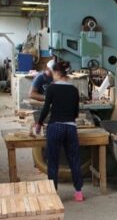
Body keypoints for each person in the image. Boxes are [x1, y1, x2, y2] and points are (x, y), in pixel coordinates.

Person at [34, 60, 85, 202]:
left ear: (56, 73)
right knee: (74, 160)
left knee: (53, 161)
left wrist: (39, 123)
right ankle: (78, 193)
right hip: (71, 128)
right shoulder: (74, 90)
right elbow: (76, 112)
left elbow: (46, 108)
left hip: (55, 127)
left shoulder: (52, 88)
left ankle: (53, 193)